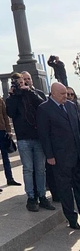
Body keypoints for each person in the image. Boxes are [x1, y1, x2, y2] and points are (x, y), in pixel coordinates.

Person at [6, 72, 54, 212]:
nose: (21, 85)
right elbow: (11, 113)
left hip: (38, 136)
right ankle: (31, 198)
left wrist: (30, 91)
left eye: (22, 82)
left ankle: (42, 196)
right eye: (18, 83)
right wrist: (14, 95)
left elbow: (42, 106)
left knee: (40, 169)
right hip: (23, 138)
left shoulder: (33, 93)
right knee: (28, 169)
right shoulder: (11, 98)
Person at [37, 83, 79, 228]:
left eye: (66, 93)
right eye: (62, 94)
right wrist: (49, 155)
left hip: (76, 154)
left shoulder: (72, 106)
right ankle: (72, 219)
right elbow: (44, 134)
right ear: (53, 93)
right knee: (65, 189)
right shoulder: (44, 109)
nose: (65, 96)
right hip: (59, 157)